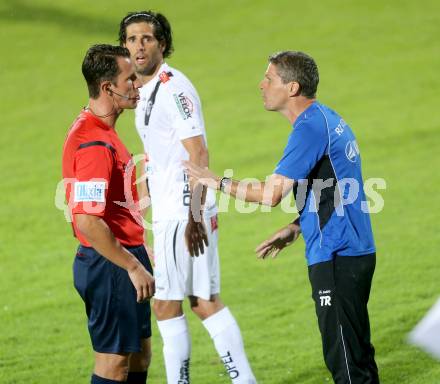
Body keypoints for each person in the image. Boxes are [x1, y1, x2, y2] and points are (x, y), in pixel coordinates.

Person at [184, 51, 380, 384]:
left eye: (269, 78)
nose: (261, 85)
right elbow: (337, 188)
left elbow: (269, 194)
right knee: (357, 353)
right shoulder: (327, 119)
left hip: (335, 255)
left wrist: (214, 181)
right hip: (354, 250)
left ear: (292, 87)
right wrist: (296, 226)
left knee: (345, 361)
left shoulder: (309, 129)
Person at [118, 11, 257, 384]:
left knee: (171, 304)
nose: (138, 46)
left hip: (184, 211)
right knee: (201, 301)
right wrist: (148, 217)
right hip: (172, 212)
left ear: (162, 44)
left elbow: (199, 155)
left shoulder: (174, 89)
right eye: (131, 39)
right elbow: (154, 154)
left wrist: (194, 216)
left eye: (146, 38)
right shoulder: (145, 90)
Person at [62, 44, 155, 384]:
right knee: (113, 363)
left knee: (140, 355)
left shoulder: (101, 130)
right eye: (130, 79)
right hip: (110, 265)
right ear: (107, 88)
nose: (137, 85)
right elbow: (87, 219)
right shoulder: (95, 143)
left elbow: (114, 206)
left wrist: (140, 250)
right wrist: (131, 265)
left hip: (124, 255)